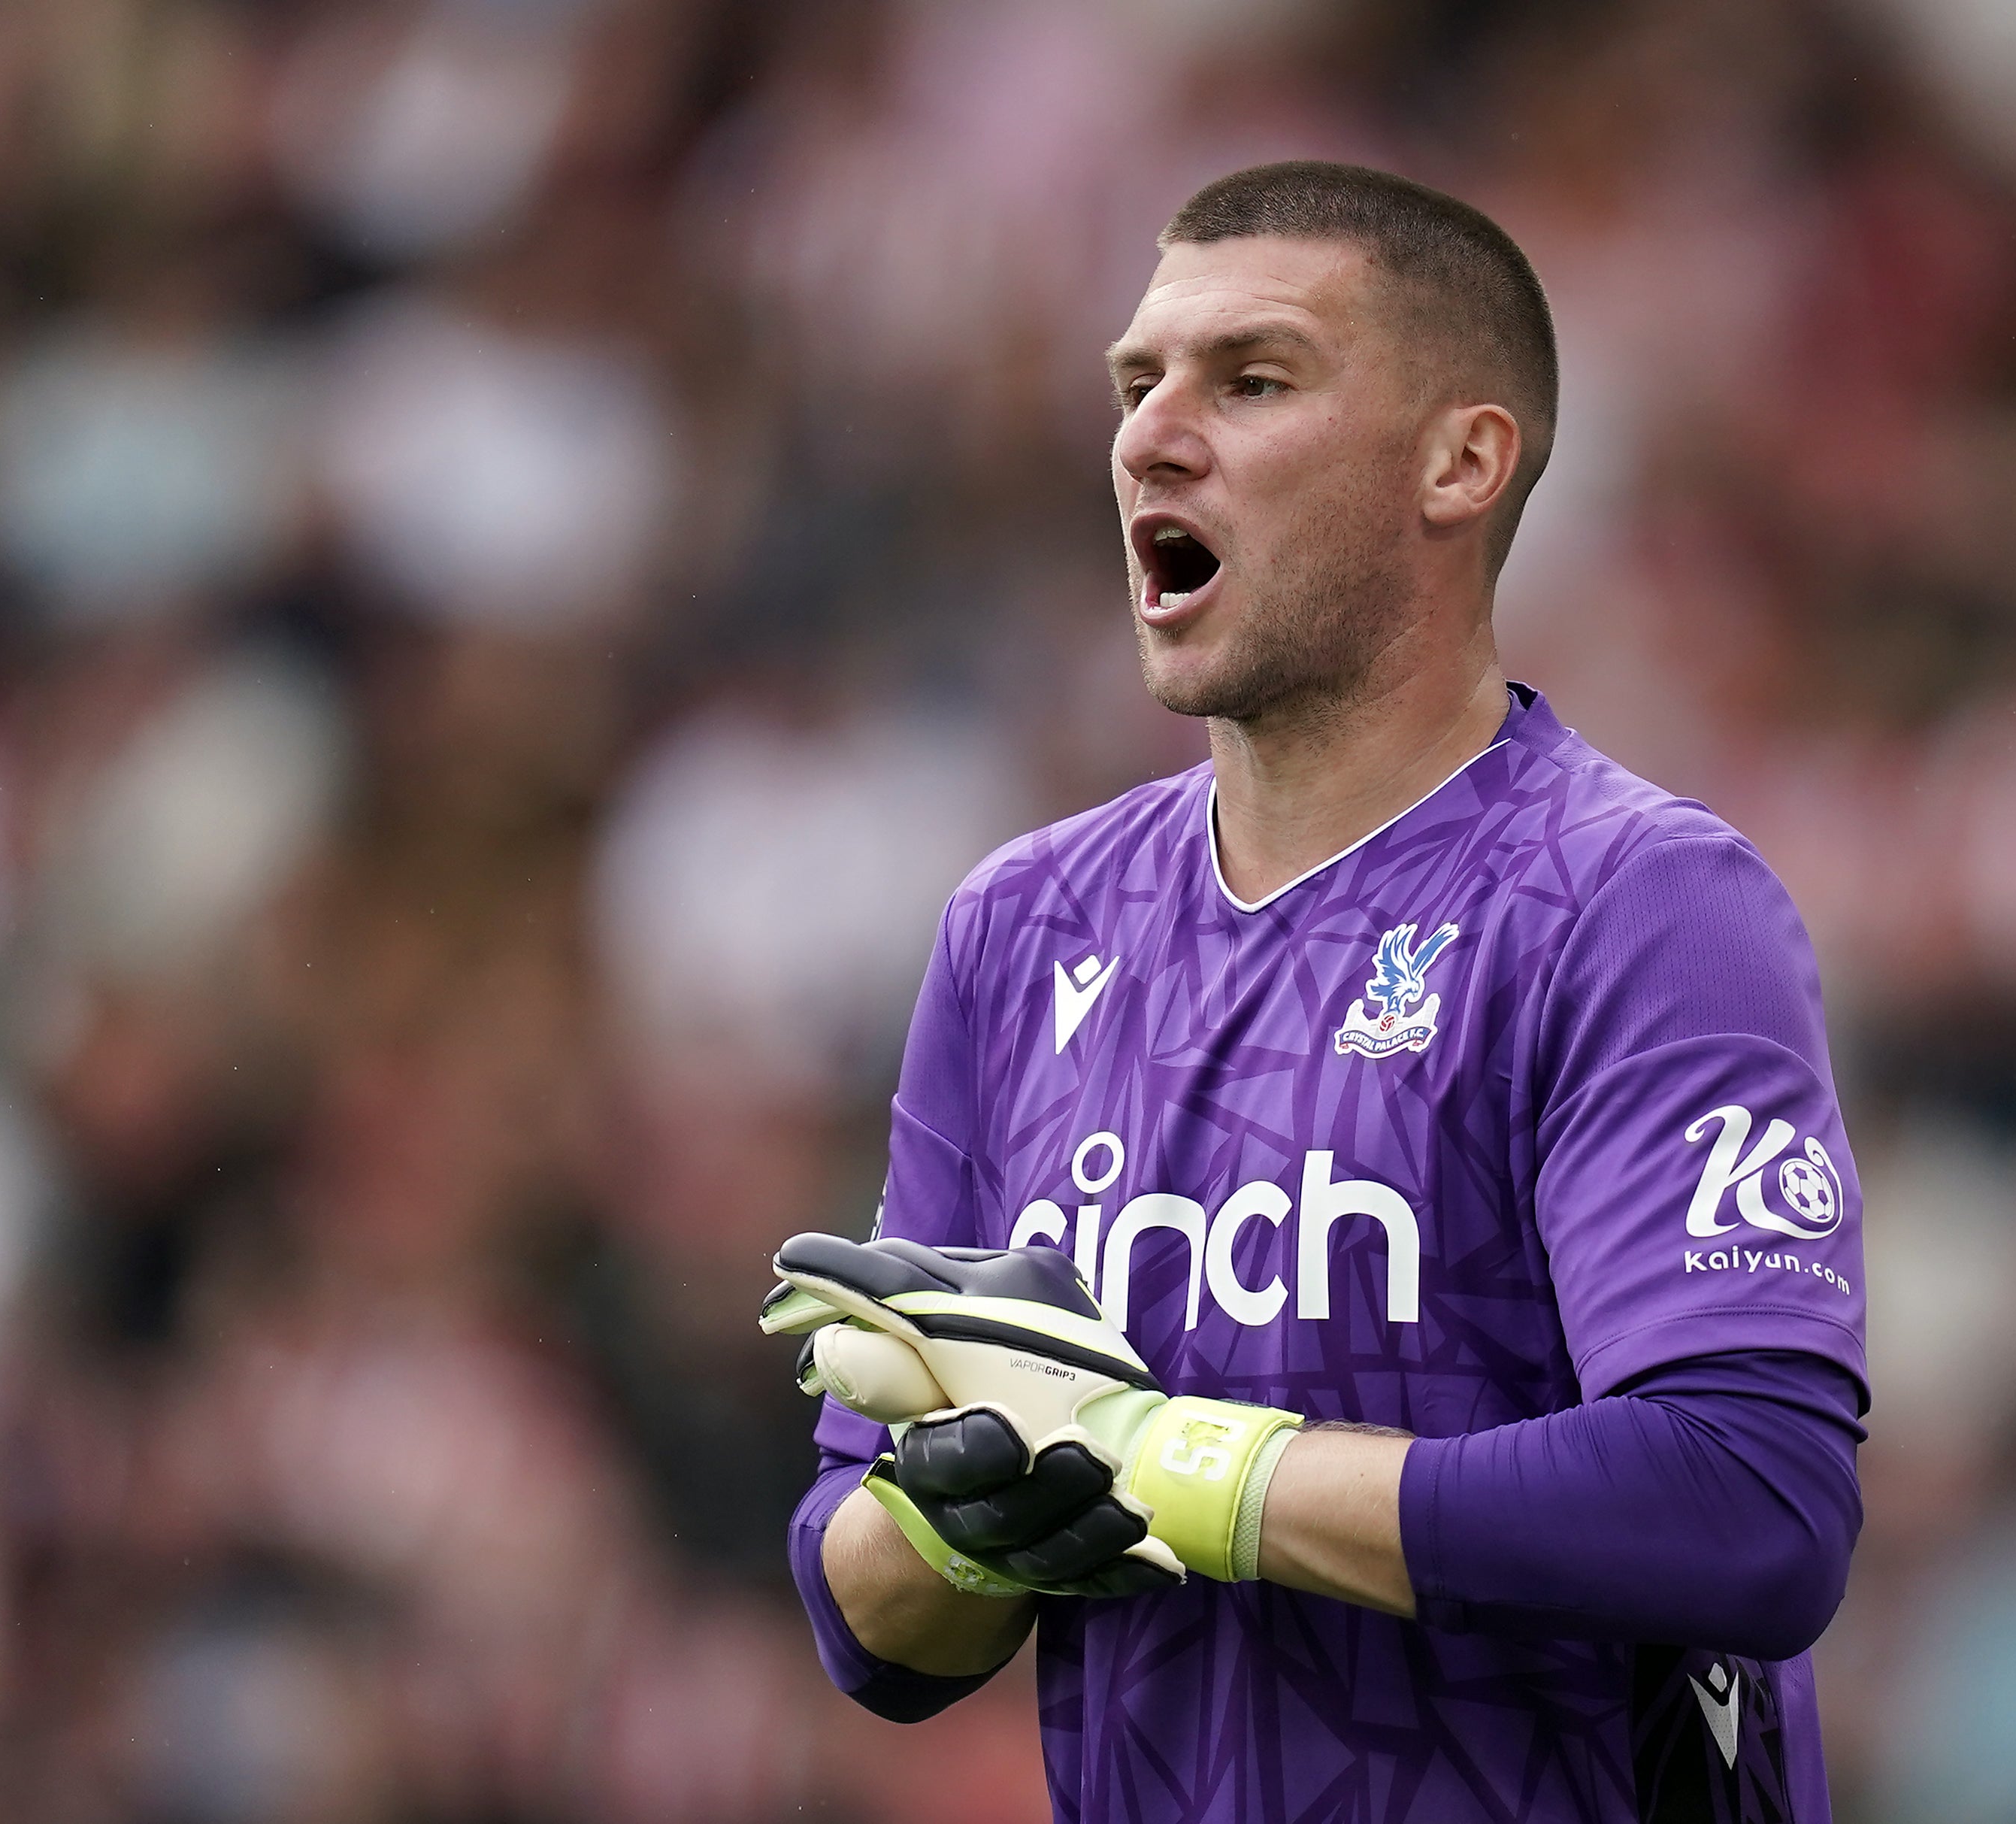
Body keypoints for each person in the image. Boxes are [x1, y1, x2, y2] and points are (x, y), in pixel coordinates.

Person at [765, 161, 1867, 1824]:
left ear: (1461, 461)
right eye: (1138, 384)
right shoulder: (1025, 924)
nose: (1151, 432)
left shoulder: (1638, 903)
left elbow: (1748, 1502)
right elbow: (871, 1624)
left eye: (1252, 379)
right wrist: (961, 1511)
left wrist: (1173, 1467)